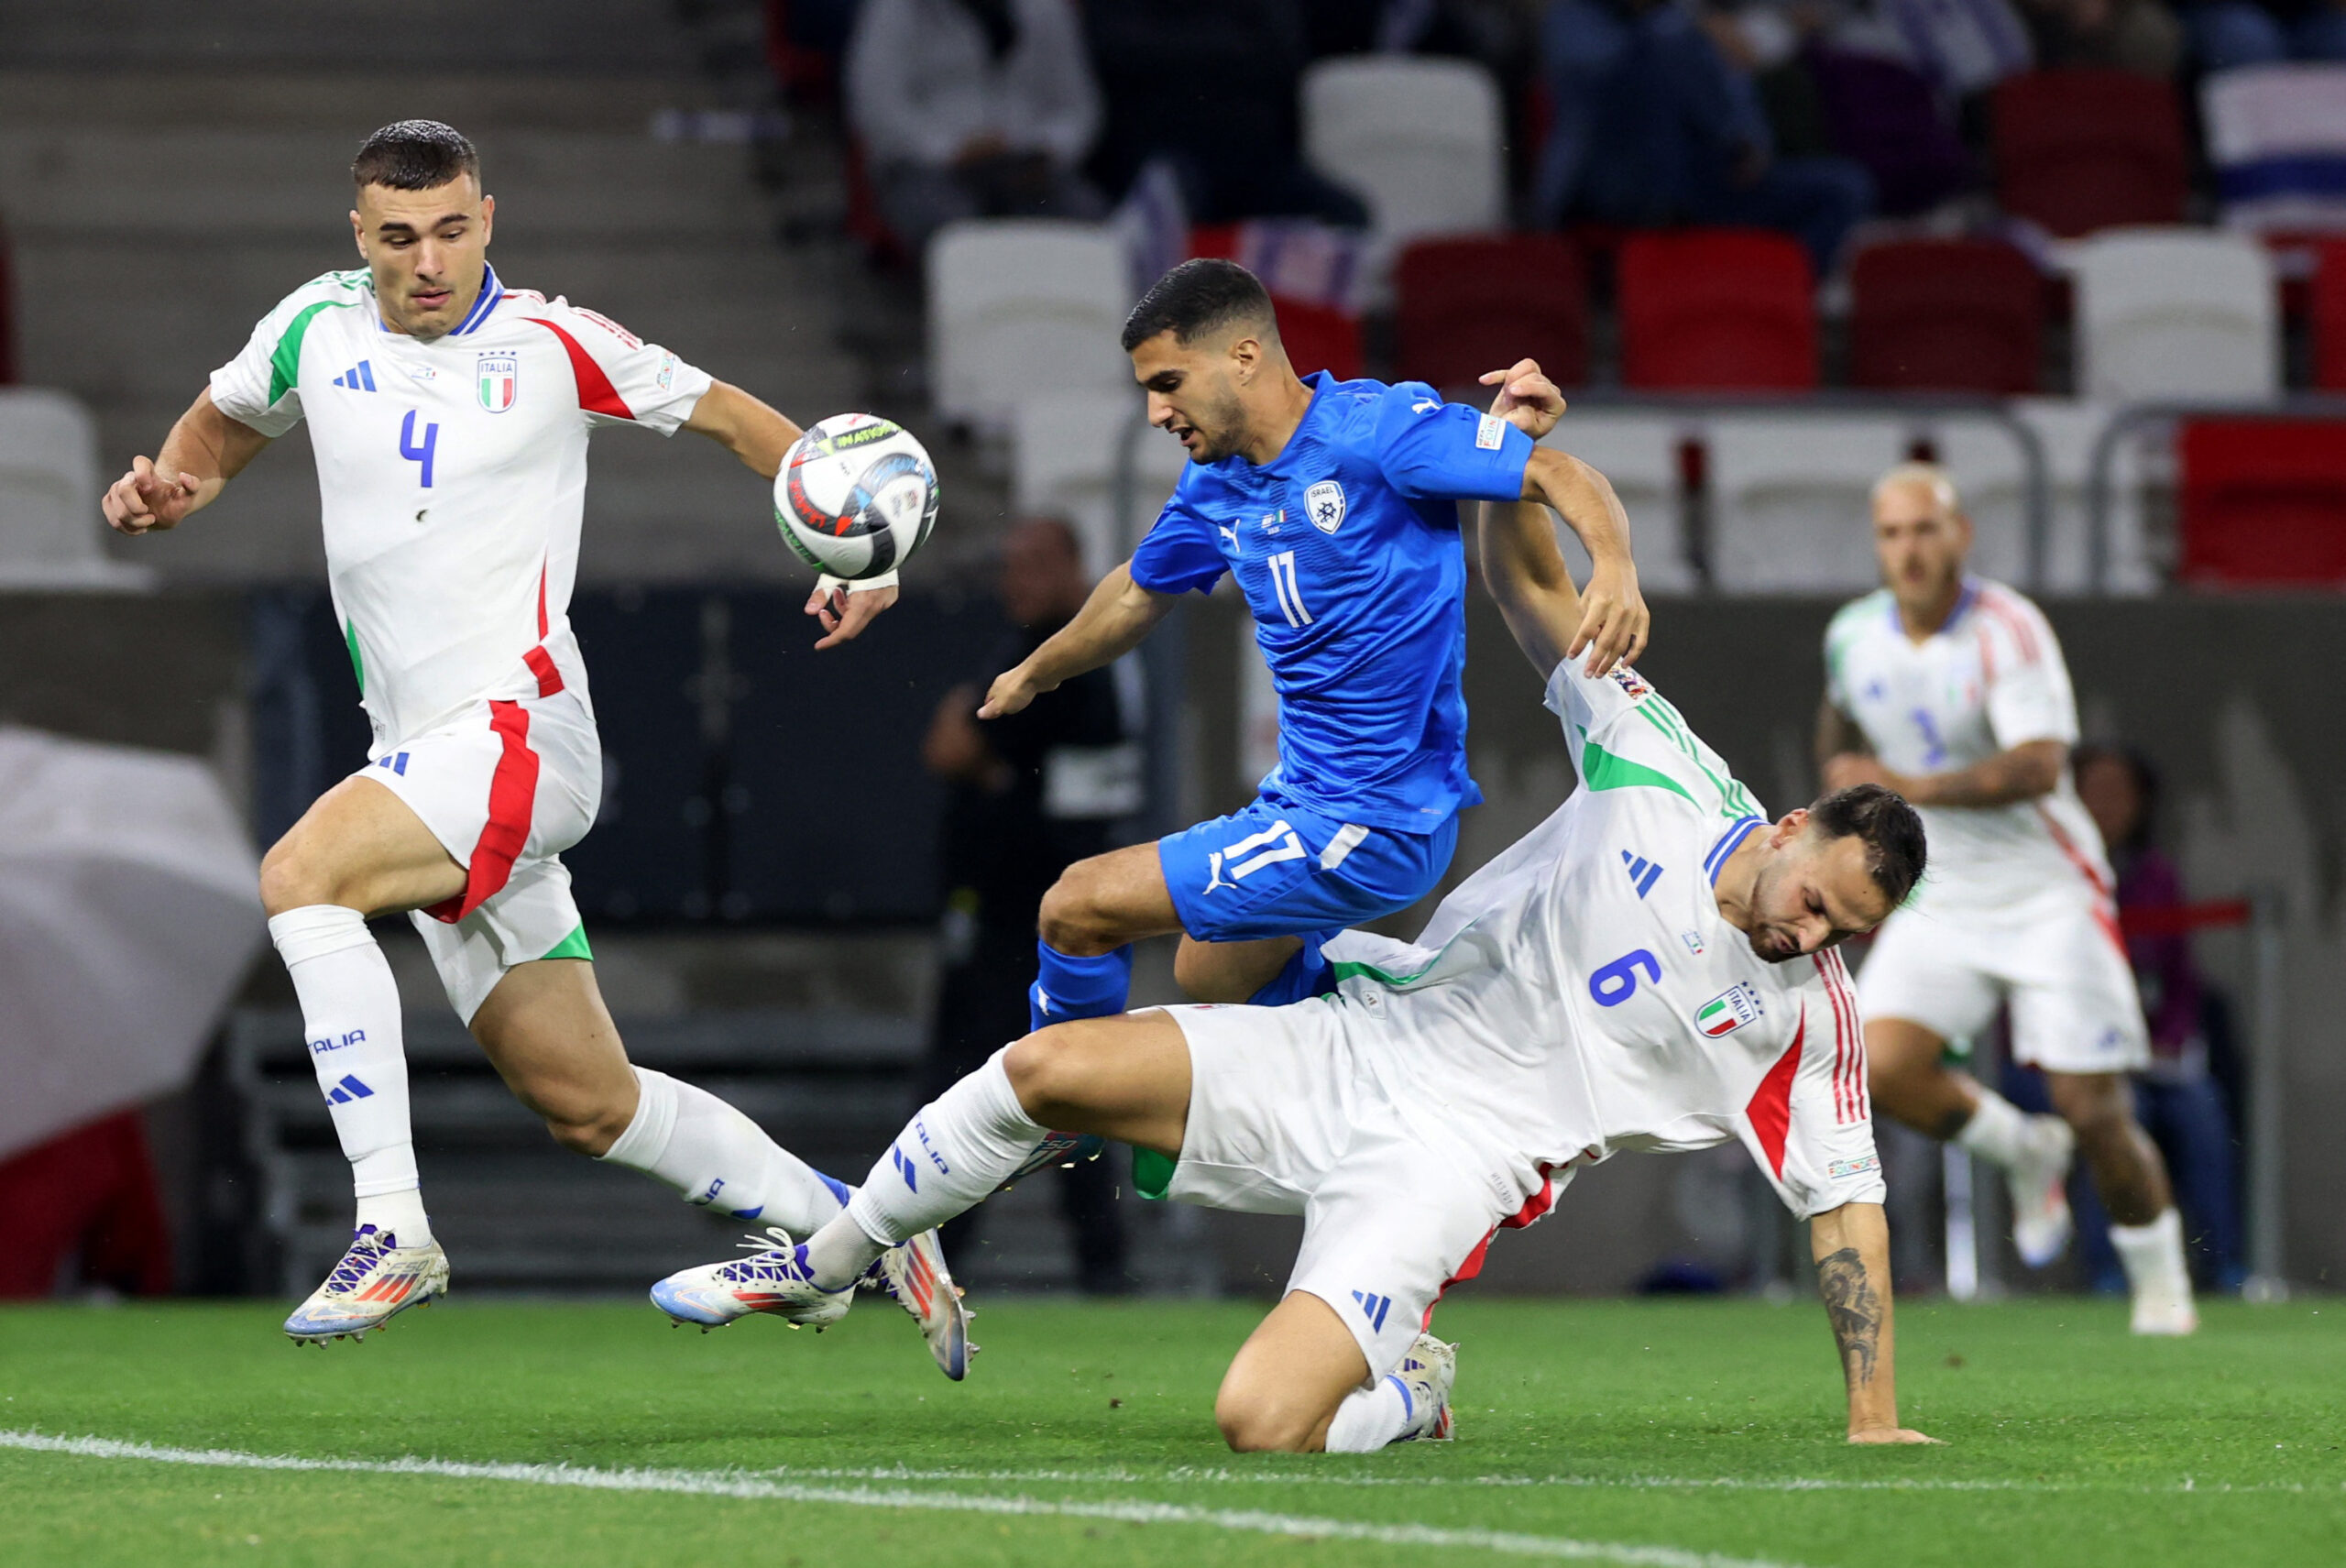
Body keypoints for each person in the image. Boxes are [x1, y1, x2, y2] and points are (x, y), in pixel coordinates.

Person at [650, 390, 1935, 1452]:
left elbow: (1846, 1204)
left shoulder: (1806, 1020)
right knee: (1044, 1064)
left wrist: (1872, 1417)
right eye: (1820, 898)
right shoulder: (1668, 771)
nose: (1815, 934)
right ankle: (827, 1256)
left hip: (1452, 1166)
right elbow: (1530, 599)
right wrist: (1513, 465)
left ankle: (1408, 1387)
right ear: (1789, 827)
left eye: (1846, 931)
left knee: (1261, 1422)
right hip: (1365, 1037)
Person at [94, 120, 966, 1373]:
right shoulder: (314, 327)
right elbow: (228, 419)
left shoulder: (559, 344)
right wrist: (175, 483)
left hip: (518, 732)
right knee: (586, 1098)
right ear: (361, 237)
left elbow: (731, 418)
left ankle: (391, 1224)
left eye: (451, 229)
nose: (429, 259)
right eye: (400, 237)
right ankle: (856, 1230)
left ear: (487, 219)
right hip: (422, 760)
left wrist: (860, 548)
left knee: (301, 873)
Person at [977, 261, 1648, 1183]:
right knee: (1209, 977)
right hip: (1298, 804)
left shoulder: (1379, 436)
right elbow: (1136, 594)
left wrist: (1612, 567)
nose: (1155, 414)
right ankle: (1407, 1068)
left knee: (1076, 906)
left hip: (1367, 820)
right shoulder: (1220, 482)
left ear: (1243, 356)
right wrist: (1035, 669)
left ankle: (1060, 1103)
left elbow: (1557, 471)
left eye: (1167, 384)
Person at [1817, 463, 2197, 1335]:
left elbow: (2038, 766)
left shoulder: (2009, 628)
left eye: (1924, 530)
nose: (1908, 549)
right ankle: (2021, 1149)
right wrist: (1842, 781)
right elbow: (1838, 719)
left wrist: (1902, 783)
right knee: (1871, 1067)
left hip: (2047, 892)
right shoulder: (1854, 634)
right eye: (1892, 533)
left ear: (1961, 535)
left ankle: (2165, 1288)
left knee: (2092, 1108)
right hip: (1943, 893)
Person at [920, 518, 1137, 1291]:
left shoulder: (1064, 659)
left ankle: (939, 1249)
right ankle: (1090, 1264)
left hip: (1031, 922)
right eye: (1010, 564)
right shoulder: (1024, 647)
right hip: (1002, 915)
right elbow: (955, 744)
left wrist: (982, 757)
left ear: (1077, 567)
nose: (1018, 578)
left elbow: (956, 741)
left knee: (1000, 1086)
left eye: (1035, 562)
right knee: (1035, 1089)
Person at [2072, 744, 2246, 1292]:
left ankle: (2224, 1269)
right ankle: (2110, 1274)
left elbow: (2179, 982)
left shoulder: (2156, 875)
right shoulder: (2053, 874)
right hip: (2074, 1055)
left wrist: (2168, 1039)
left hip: (2153, 1056)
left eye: (2119, 793)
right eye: (2093, 791)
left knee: (2203, 1114)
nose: (2106, 805)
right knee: (2113, 1119)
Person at [1533, 0, 1877, 275]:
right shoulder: (1575, 15)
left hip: (1704, 180)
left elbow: (1735, 94)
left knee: (1845, 187)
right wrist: (1681, 29)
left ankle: (1774, 289)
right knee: (1661, 55)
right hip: (1618, 182)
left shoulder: (1681, 20)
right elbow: (1599, 80)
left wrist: (1749, 142)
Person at [844, 0, 1106, 255]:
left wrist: (1048, 149)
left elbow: (1078, 107)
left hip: (1027, 164)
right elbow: (875, 106)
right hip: (926, 166)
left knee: (1088, 220)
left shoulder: (1046, 7)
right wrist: (950, 151)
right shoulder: (897, 9)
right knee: (958, 235)